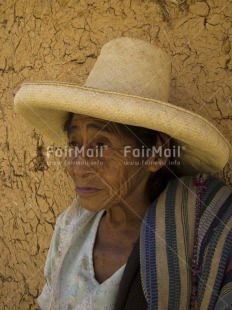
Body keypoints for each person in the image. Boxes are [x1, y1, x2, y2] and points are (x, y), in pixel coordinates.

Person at [14, 37, 232, 309]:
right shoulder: (70, 228)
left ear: (156, 153)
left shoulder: (194, 243)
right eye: (74, 144)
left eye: (101, 145)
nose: (77, 166)